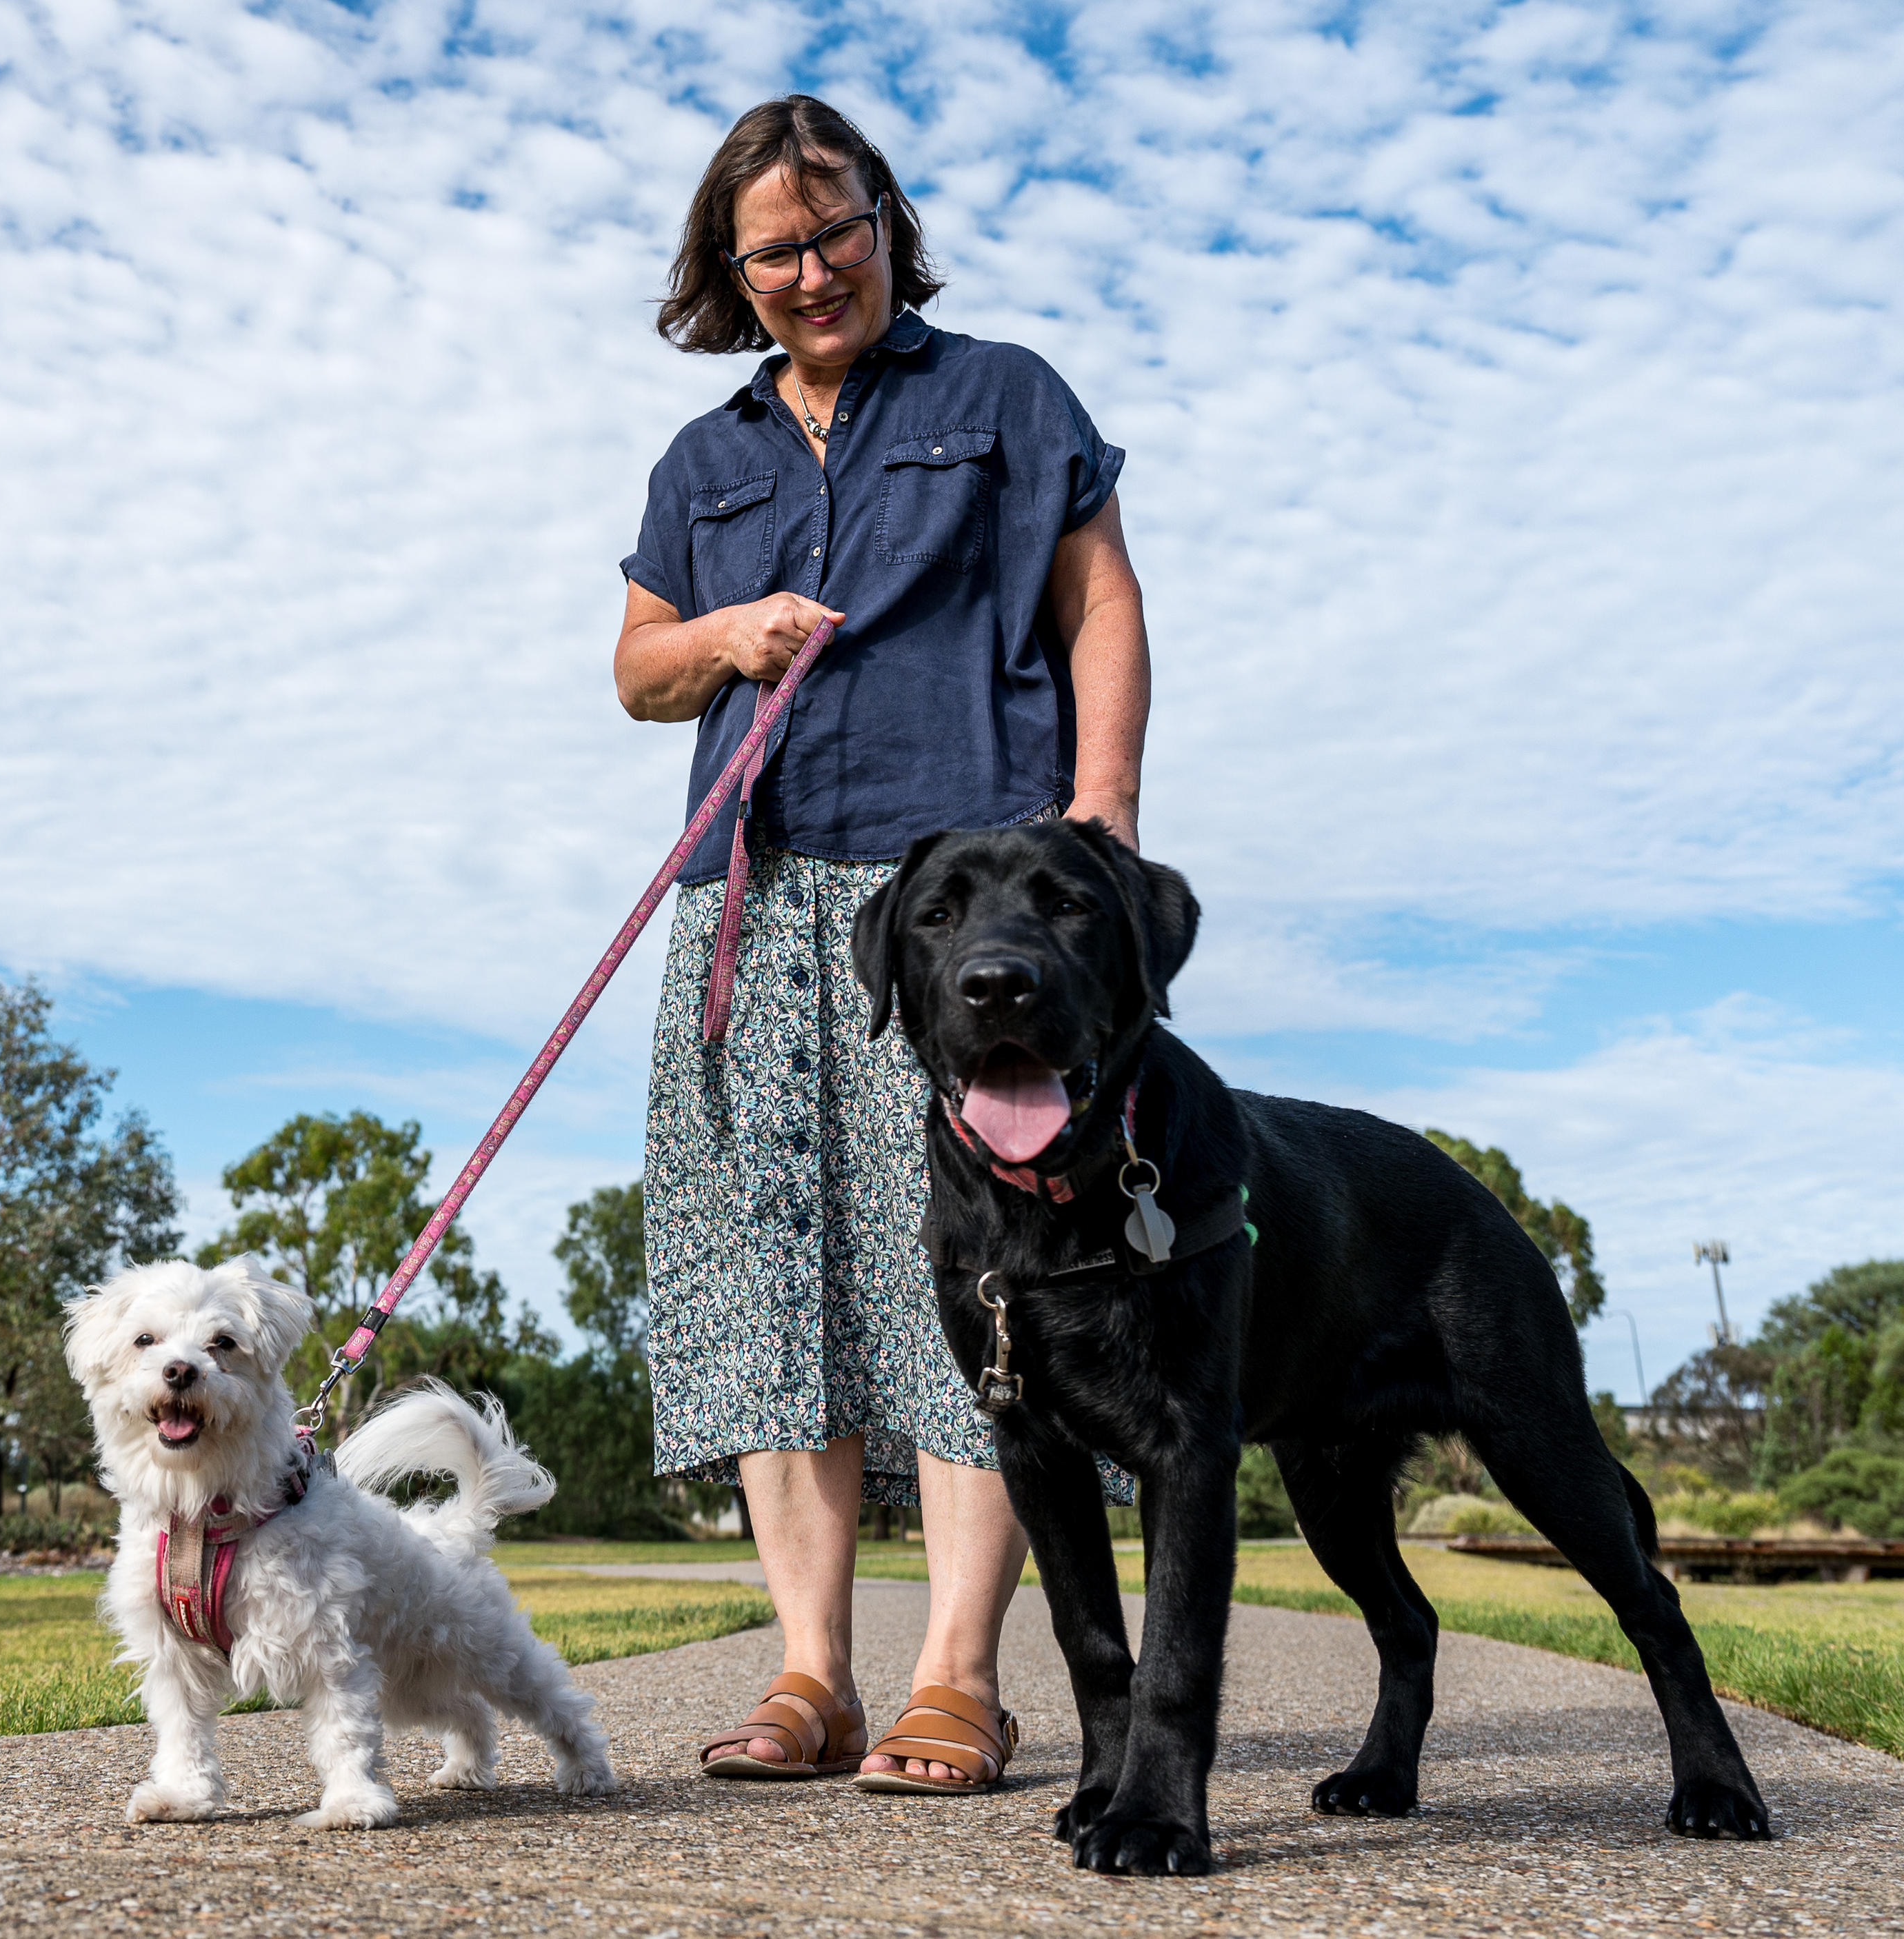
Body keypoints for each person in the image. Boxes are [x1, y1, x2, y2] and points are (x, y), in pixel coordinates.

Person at [616, 94, 1152, 1795]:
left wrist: (1103, 817)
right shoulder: (702, 461)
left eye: (831, 230)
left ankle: (956, 1678)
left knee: (978, 1280)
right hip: (748, 902)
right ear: (730, 267)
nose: (806, 268)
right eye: (768, 248)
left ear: (884, 220)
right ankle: (808, 1671)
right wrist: (720, 630)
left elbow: (1101, 602)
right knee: (768, 1277)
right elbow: (637, 670)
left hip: (960, 900)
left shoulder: (1002, 396)